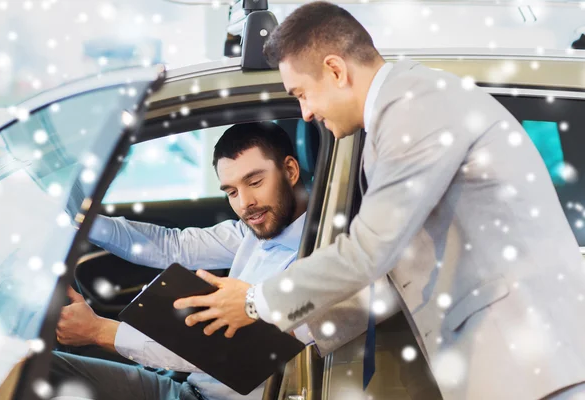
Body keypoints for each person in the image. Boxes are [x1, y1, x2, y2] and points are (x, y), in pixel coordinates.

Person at [173, 2, 585, 399]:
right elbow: (394, 274)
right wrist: (302, 329)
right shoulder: (387, 128)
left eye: (301, 93)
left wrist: (253, 301)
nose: (306, 113)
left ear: (335, 70)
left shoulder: (415, 107)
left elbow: (370, 251)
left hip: (536, 362)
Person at [50, 122, 314, 400]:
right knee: (39, 367)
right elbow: (173, 246)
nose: (245, 203)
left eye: (255, 182)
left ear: (291, 171)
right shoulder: (255, 231)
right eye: (232, 192)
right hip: (189, 387)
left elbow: (232, 354)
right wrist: (84, 222)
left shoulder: (315, 263)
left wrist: (99, 331)